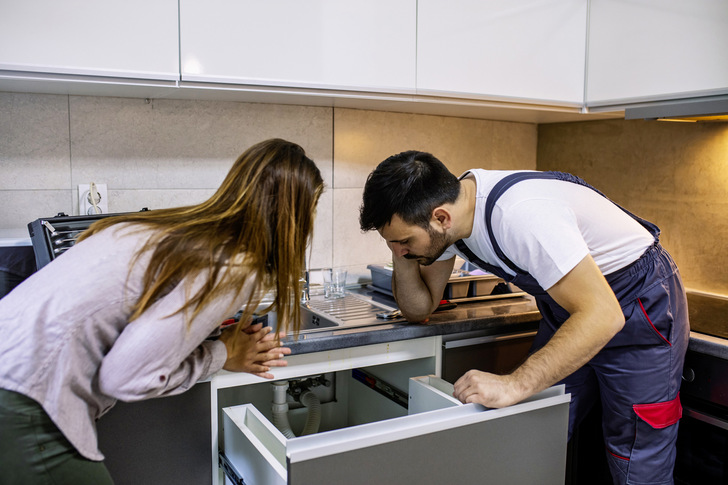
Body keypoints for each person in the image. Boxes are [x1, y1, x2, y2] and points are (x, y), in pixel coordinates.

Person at [0, 138, 324, 485]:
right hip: (26, 399)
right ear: (293, 217)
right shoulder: (230, 265)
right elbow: (125, 376)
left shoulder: (162, 229)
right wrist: (223, 352)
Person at [359, 150, 689, 485]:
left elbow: (603, 315)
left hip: (637, 307)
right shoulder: (452, 218)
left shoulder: (519, 216)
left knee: (635, 454)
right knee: (534, 431)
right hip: (575, 309)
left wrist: (514, 383)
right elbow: (419, 308)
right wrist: (399, 247)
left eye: (404, 241)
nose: (401, 250)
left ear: (440, 218)